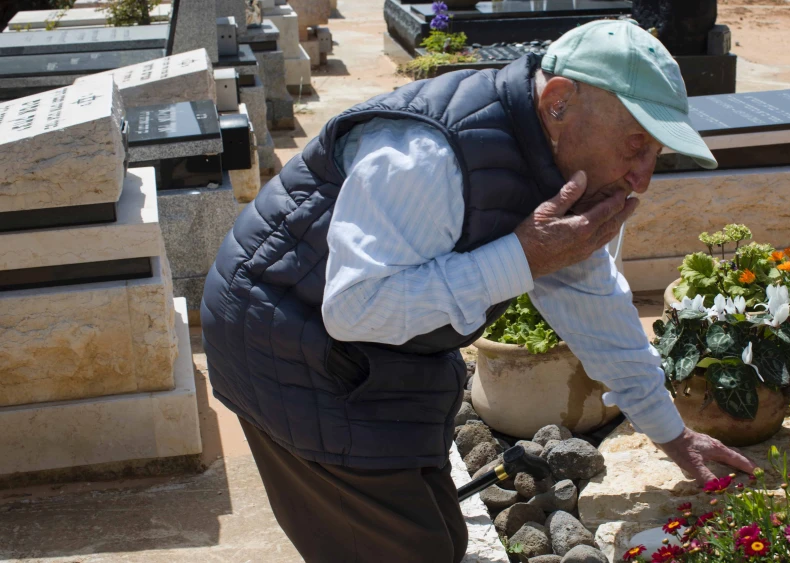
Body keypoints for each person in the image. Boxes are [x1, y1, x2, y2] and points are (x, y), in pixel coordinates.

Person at [201, 18, 755, 563]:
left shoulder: (567, 167)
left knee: (440, 539)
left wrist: (673, 435)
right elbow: (355, 308)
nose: (642, 178)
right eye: (635, 143)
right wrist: (522, 256)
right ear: (558, 101)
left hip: (375, 354)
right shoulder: (429, 155)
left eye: (656, 152)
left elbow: (595, 303)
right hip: (281, 341)